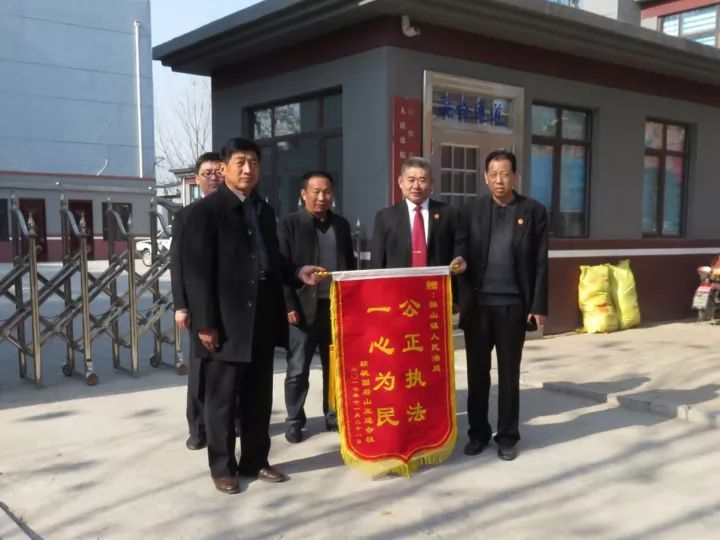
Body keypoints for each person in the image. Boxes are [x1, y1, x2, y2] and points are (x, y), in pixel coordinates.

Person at [181, 137, 324, 494]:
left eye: (254, 163)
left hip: (261, 315)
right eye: (241, 162)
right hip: (225, 320)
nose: (248, 169)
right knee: (222, 399)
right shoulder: (207, 212)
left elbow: (271, 258)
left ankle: (255, 460)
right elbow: (197, 274)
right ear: (224, 167)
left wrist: (297, 272)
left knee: (258, 396)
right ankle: (222, 467)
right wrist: (205, 323)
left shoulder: (263, 210)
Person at [455, 149, 548, 461]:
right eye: (493, 174)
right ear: (485, 177)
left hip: (513, 306)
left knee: (509, 374)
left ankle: (507, 436)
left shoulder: (533, 211)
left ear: (516, 176)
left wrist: (538, 305)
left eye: (505, 174)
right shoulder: (471, 209)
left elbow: (540, 261)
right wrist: (459, 259)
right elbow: (461, 245)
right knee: (477, 374)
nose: (499, 180)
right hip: (478, 306)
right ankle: (478, 433)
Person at [278, 171, 356, 443]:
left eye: (327, 192)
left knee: (334, 365)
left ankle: (332, 414)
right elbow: (281, 267)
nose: (322, 197)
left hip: (334, 307)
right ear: (303, 194)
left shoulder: (341, 225)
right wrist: (288, 304)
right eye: (316, 192)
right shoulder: (289, 224)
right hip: (302, 309)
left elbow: (350, 264)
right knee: (298, 368)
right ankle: (294, 420)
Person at [170, 151, 223, 451]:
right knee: (200, 369)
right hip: (199, 307)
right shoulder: (187, 215)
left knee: (231, 370)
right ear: (197, 179)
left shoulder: (239, 211)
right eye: (207, 173)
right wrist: (181, 306)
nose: (214, 177)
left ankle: (231, 422)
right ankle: (198, 427)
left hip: (232, 305)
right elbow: (177, 264)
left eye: (219, 172)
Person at [370, 156, 464, 272]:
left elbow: (460, 246)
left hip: (436, 281)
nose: (416, 186)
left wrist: (459, 260)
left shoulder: (449, 213)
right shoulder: (385, 217)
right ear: (401, 182)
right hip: (399, 282)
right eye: (411, 180)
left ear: (431, 183)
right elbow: (377, 261)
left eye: (422, 180)